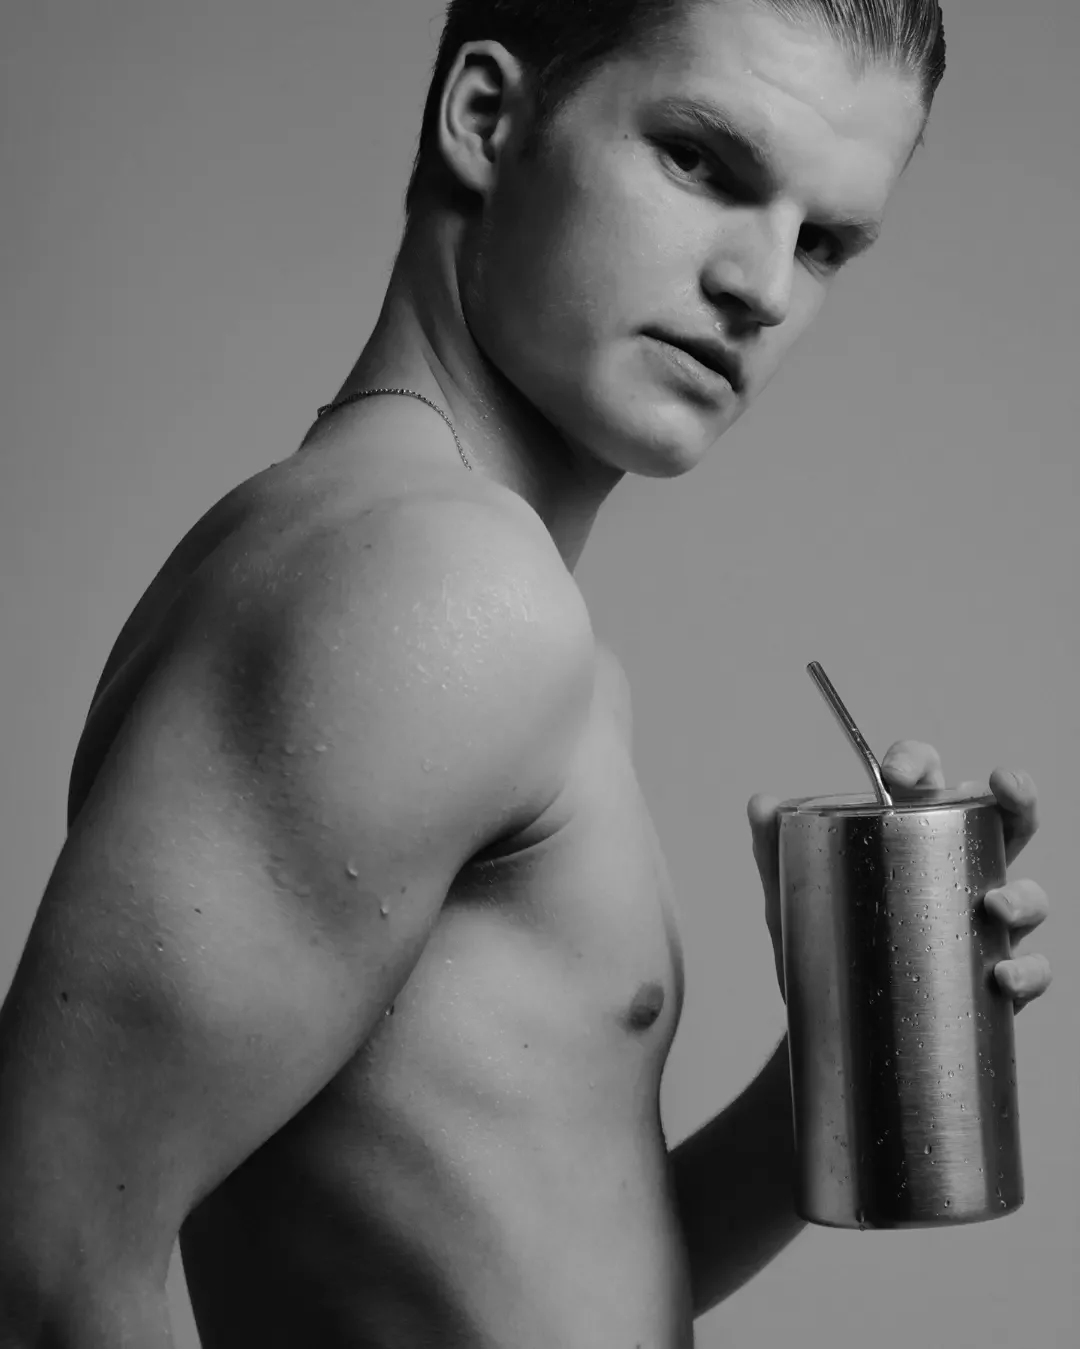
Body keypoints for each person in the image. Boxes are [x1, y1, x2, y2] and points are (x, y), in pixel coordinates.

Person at [0, 1, 1053, 1345]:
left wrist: (843, 1064)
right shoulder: (437, 587)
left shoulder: (410, 570)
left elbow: (524, 1289)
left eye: (824, 241)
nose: (763, 286)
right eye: (700, 161)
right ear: (486, 119)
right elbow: (39, 1262)